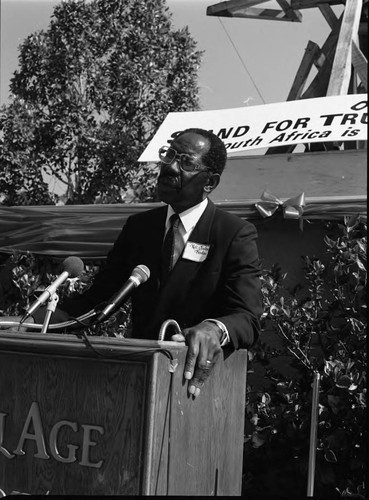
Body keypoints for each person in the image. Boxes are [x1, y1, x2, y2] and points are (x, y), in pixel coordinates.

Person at [5, 128, 263, 398]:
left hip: (195, 388)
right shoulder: (140, 228)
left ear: (209, 182)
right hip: (139, 381)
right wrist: (28, 323)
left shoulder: (233, 234)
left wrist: (214, 328)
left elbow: (247, 317)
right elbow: (95, 302)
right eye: (169, 155)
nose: (171, 167)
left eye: (186, 162)